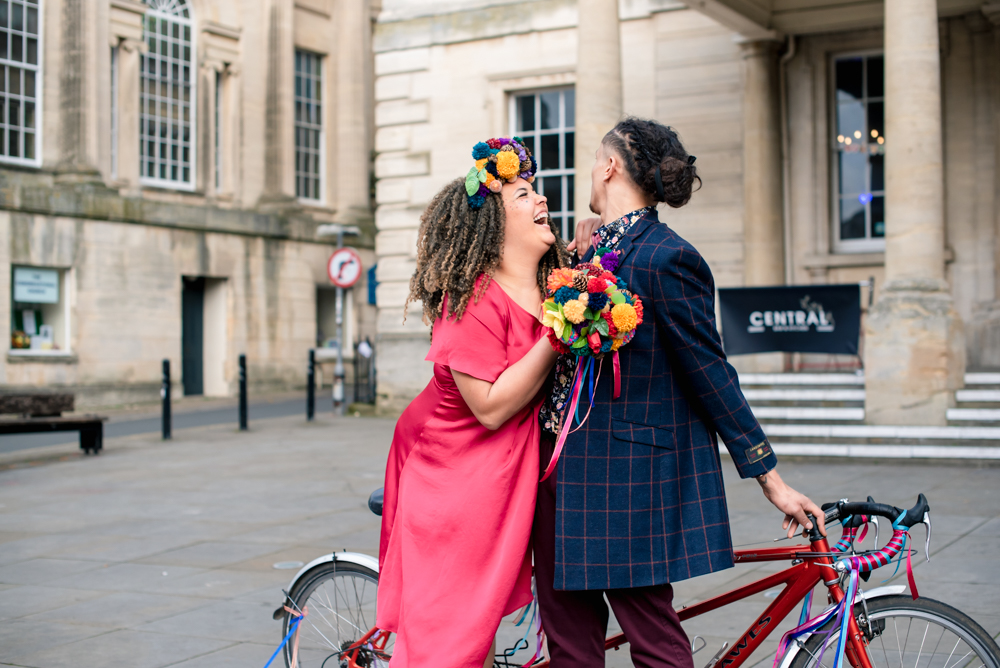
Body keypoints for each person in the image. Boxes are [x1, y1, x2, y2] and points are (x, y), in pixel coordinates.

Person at [533, 117, 827, 668]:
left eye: (595, 159)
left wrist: (770, 477)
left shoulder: (668, 257)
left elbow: (710, 372)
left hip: (626, 480)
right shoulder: (589, 250)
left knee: (656, 643)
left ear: (609, 166)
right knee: (569, 645)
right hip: (556, 472)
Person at [377, 137, 567, 668]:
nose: (541, 201)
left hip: (505, 474)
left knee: (475, 638)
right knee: (452, 641)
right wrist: (558, 334)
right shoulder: (474, 300)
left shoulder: (556, 289)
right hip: (452, 477)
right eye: (524, 195)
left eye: (537, 193)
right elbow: (488, 406)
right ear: (493, 224)